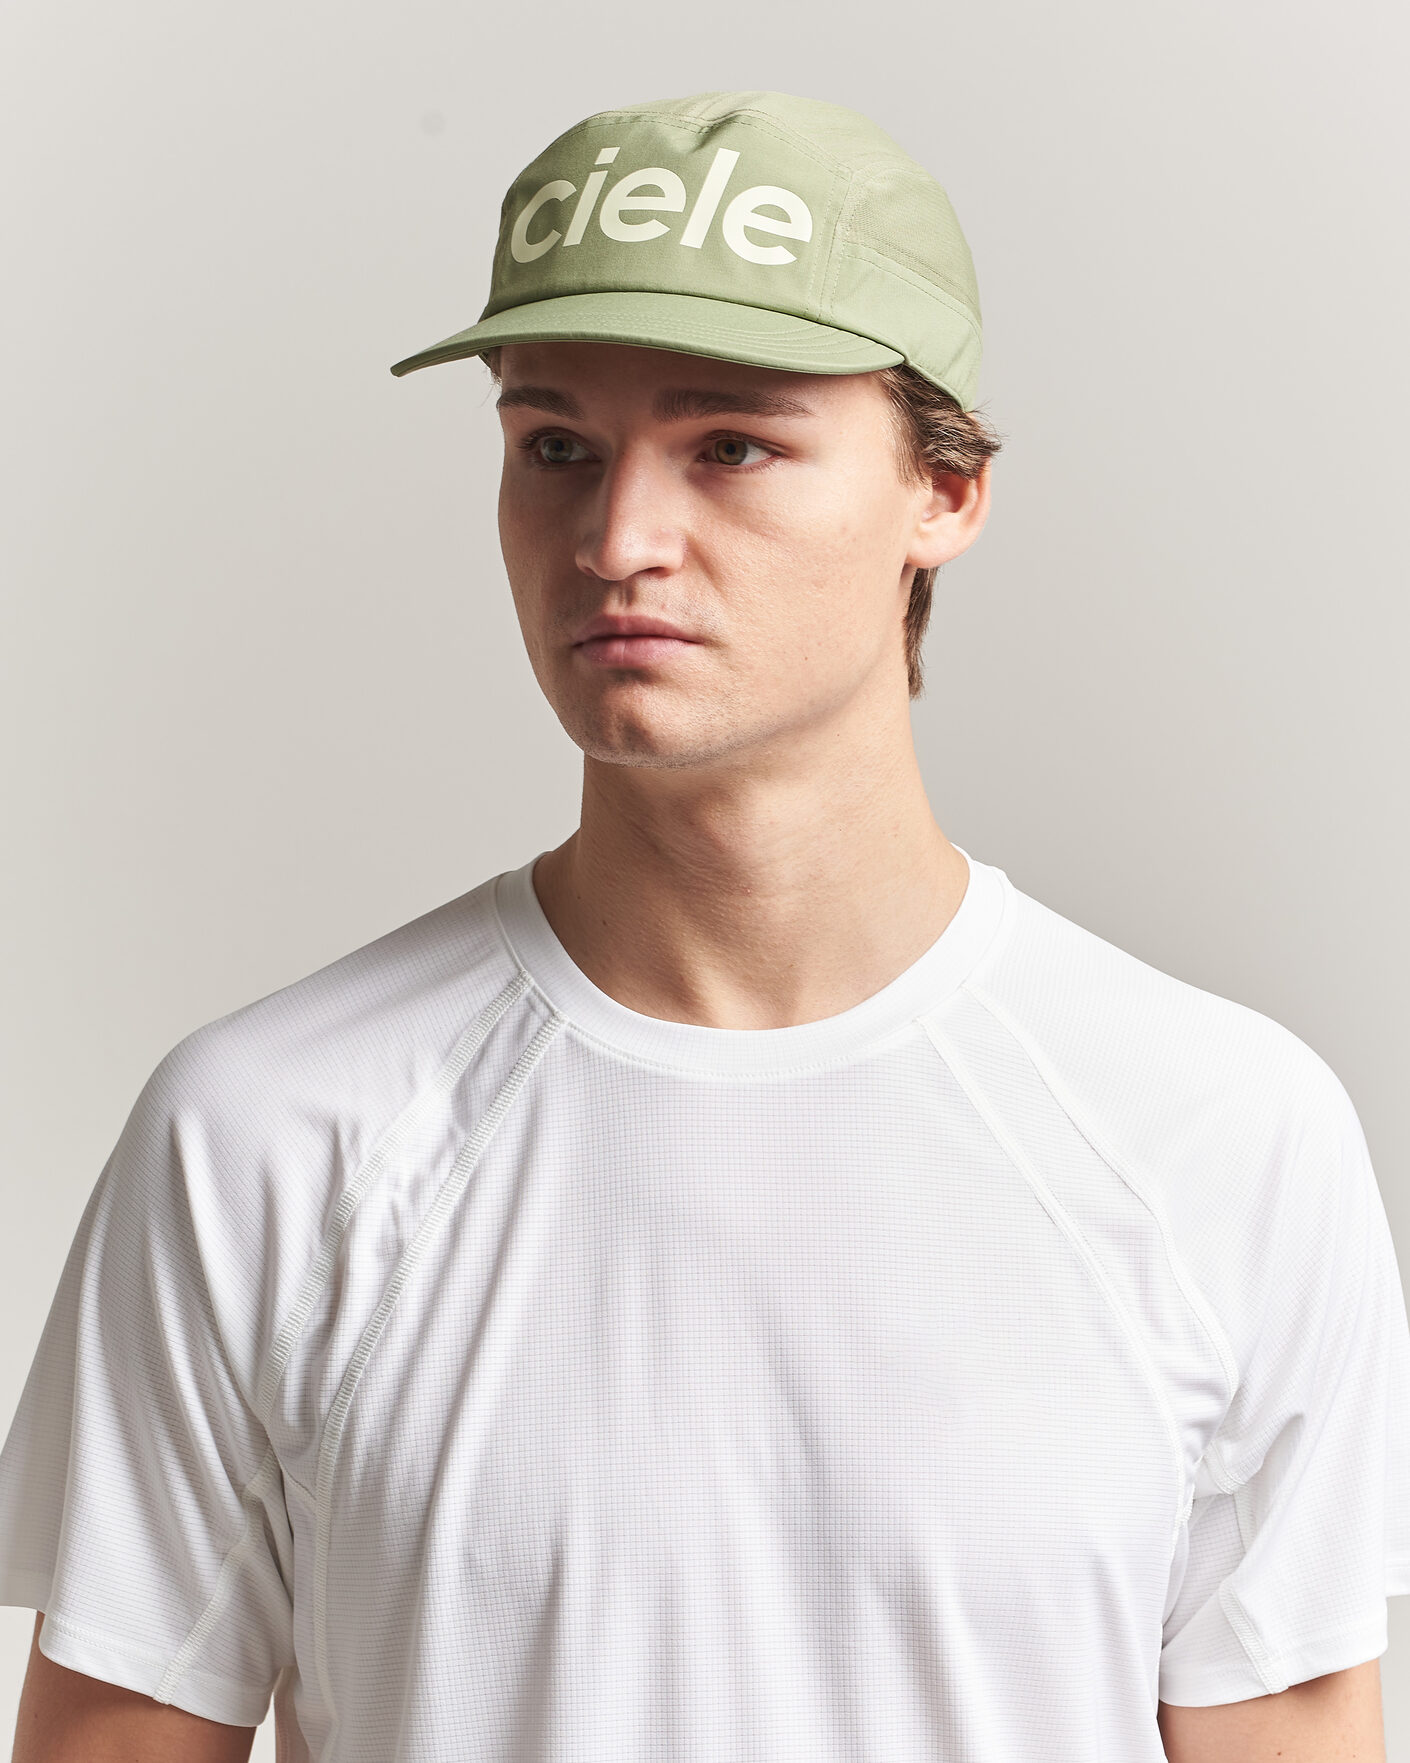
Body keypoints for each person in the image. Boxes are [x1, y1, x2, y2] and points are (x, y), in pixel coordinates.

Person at [1, 89, 1406, 1763]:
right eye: (554, 447)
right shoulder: (264, 1133)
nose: (617, 540)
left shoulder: (1220, 1133)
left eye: (729, 445)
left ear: (944, 490)